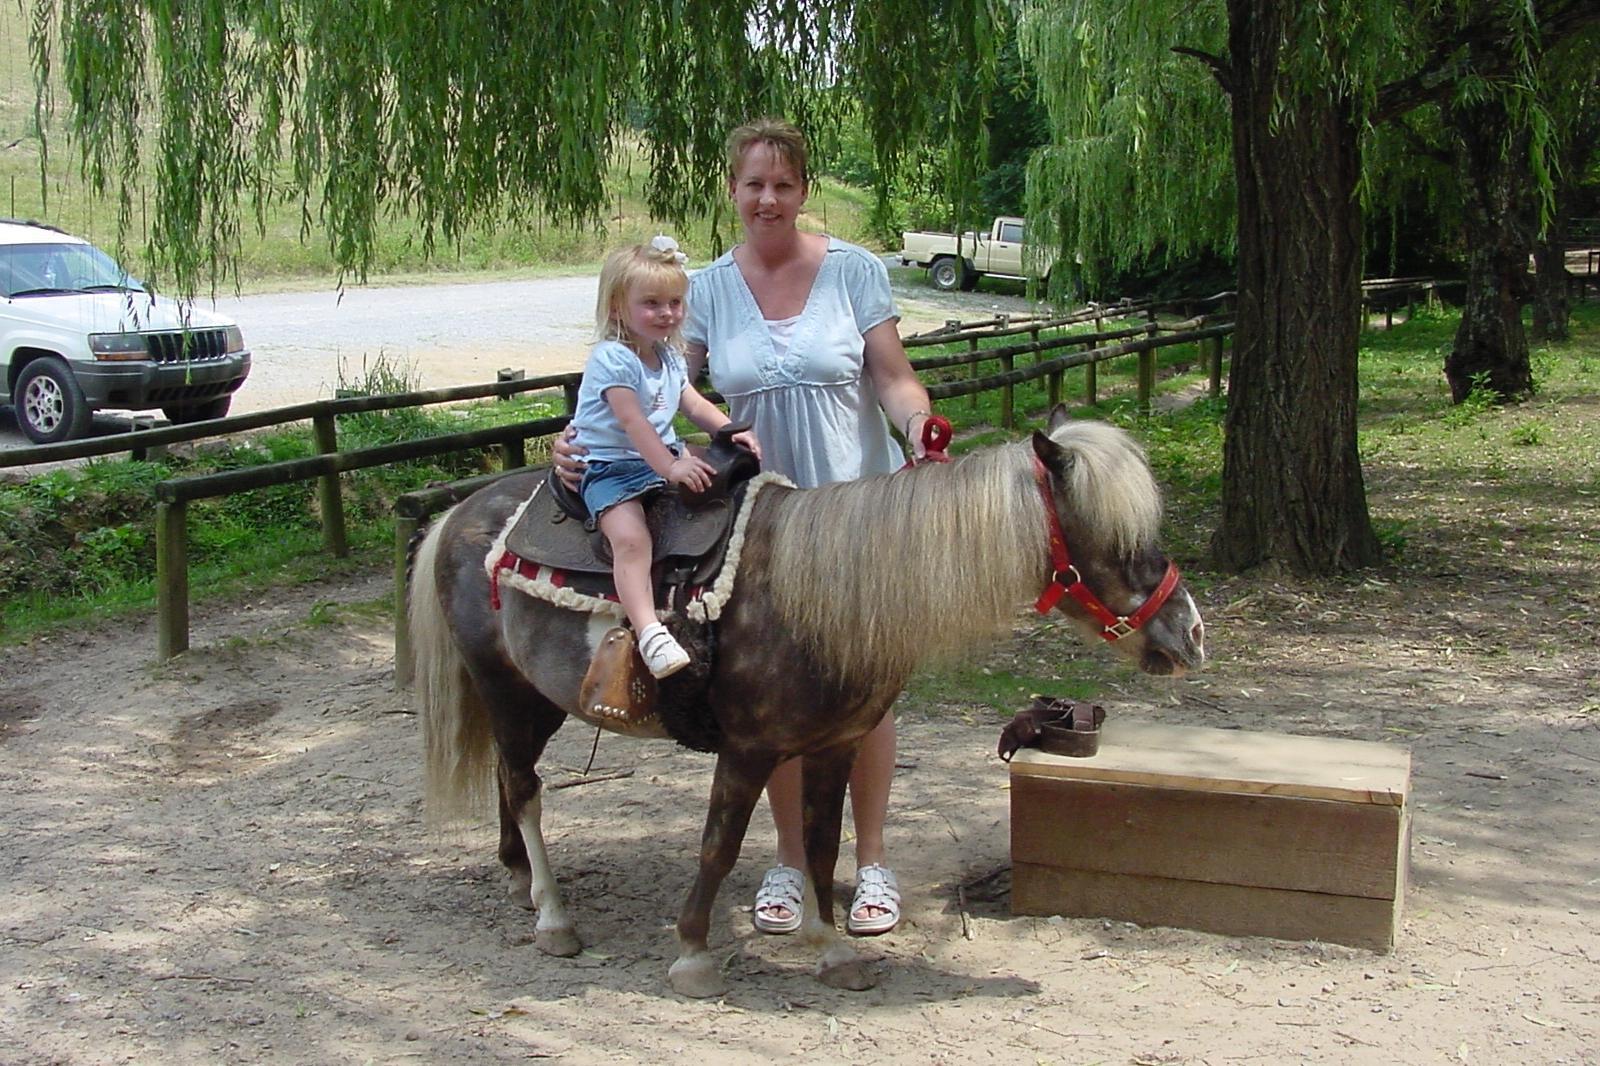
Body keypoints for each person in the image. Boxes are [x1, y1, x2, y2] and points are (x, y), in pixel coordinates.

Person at [557, 119, 937, 936]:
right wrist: (580, 437)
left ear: (805, 191)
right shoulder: (706, 289)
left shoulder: (856, 273)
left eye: (785, 184)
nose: (768, 198)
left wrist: (919, 430)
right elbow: (657, 386)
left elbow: (895, 380)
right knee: (772, 693)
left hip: (854, 513)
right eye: (753, 184)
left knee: (863, 693)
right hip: (754, 525)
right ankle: (791, 861)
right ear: (732, 189)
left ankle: (871, 861)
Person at [569, 236, 761, 678]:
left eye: (674, 302)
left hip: (656, 458)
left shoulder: (669, 357)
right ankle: (649, 629)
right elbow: (633, 422)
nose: (667, 313)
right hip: (610, 466)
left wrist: (730, 431)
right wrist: (672, 466)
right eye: (651, 303)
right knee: (632, 539)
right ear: (618, 307)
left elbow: (692, 402)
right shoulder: (612, 360)